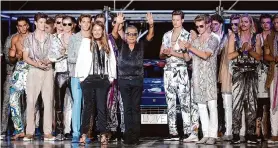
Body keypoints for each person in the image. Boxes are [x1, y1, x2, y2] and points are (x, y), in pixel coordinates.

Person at [112, 12, 154, 145]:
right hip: (124, 80)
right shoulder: (121, 44)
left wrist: (151, 24)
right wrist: (118, 22)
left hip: (137, 80)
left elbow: (150, 35)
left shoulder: (141, 45)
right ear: (126, 35)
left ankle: (135, 136)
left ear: (137, 35)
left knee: (135, 108)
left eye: (134, 34)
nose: (131, 36)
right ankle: (128, 136)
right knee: (127, 108)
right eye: (129, 33)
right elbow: (114, 35)